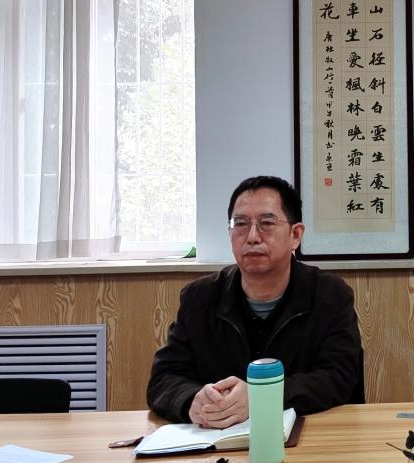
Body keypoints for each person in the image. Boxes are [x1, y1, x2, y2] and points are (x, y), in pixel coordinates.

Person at [147, 175, 363, 427]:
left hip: (309, 435)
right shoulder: (200, 298)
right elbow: (164, 378)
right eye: (240, 224)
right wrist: (191, 400)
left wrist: (262, 397)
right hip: (216, 437)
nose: (251, 237)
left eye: (266, 223)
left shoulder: (330, 295)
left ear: (295, 235)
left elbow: (339, 378)